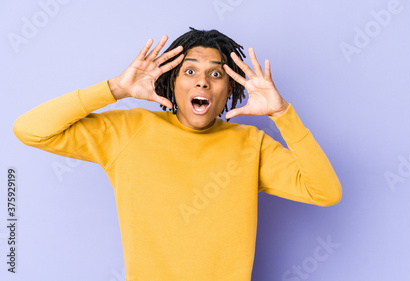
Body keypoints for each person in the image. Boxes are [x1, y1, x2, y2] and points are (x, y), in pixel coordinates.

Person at [13, 28, 342, 280]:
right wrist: (114, 89)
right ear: (171, 81)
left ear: (230, 89)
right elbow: (30, 129)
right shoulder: (127, 131)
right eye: (190, 71)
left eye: (216, 74)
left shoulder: (250, 144)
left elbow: (325, 192)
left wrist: (282, 113)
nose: (203, 82)